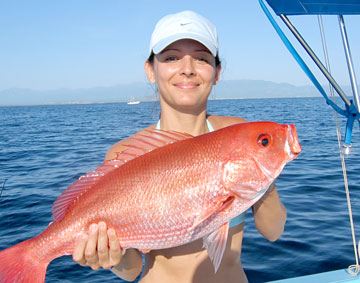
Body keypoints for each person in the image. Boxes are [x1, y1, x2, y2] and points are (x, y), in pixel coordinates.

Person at [72, 10, 287, 283]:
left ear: (217, 72)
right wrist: (112, 257)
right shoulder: (125, 155)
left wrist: (263, 169)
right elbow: (132, 271)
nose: (188, 68)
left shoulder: (238, 134)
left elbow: (273, 231)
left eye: (201, 58)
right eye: (172, 57)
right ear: (151, 69)